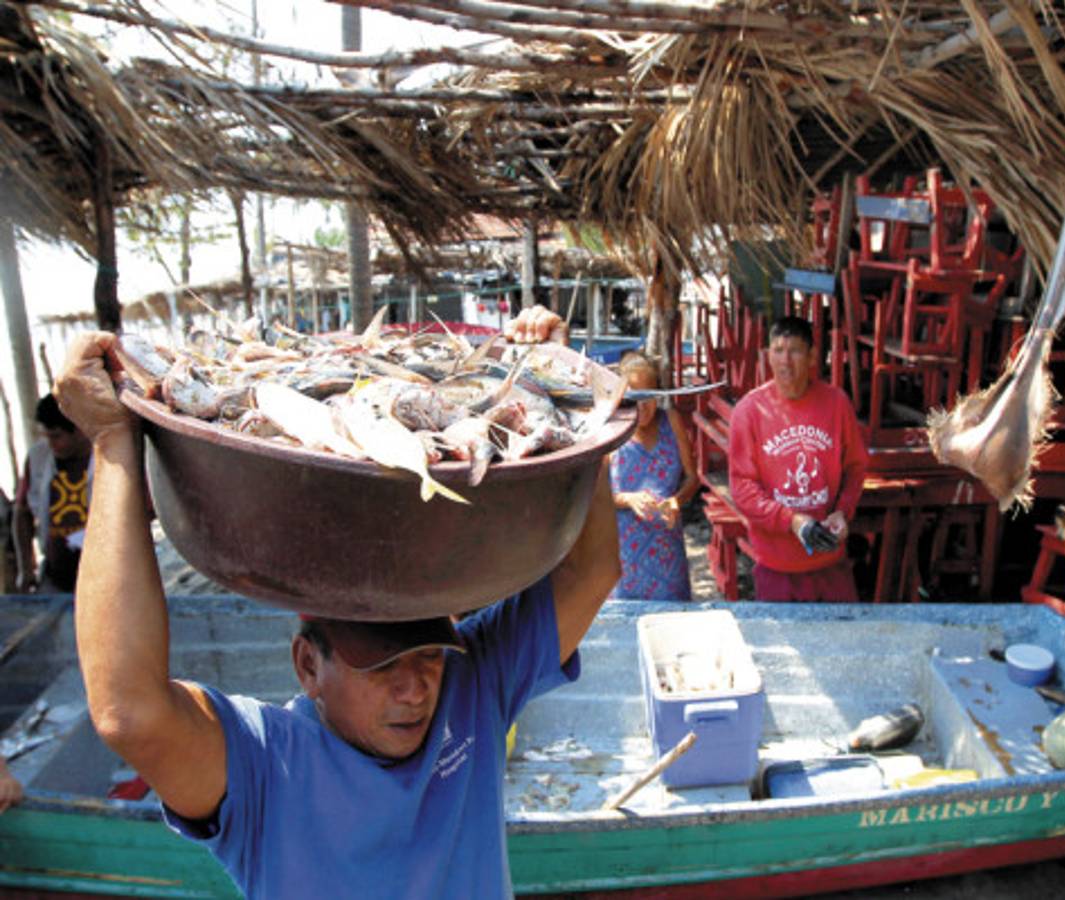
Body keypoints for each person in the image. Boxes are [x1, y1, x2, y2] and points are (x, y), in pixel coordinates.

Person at [53, 304, 619, 899]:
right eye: (381, 663)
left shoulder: (469, 693)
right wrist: (115, 443)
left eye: (427, 653)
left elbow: (591, 572)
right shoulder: (265, 767)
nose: (416, 688)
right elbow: (128, 712)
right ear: (307, 666)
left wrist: (570, 392)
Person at [728, 315, 868, 601]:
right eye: (778, 351)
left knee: (838, 644)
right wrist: (793, 522)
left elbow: (855, 468)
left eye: (795, 351)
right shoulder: (749, 411)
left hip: (831, 564)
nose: (785, 361)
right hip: (776, 567)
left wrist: (842, 511)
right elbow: (742, 488)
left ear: (813, 356)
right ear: (767, 356)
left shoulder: (837, 403)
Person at [609, 352, 699, 601]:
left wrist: (676, 501)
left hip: (667, 554)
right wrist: (627, 499)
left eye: (649, 396)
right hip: (625, 559)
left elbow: (693, 478)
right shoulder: (612, 428)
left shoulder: (671, 420)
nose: (643, 406)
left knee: (673, 628)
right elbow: (592, 496)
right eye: (635, 397)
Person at [13, 393, 93, 593]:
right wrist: (26, 568)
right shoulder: (38, 457)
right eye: (46, 436)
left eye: (56, 436)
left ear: (80, 429)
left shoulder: (110, 455)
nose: (51, 444)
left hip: (105, 572)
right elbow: (21, 513)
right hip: (56, 575)